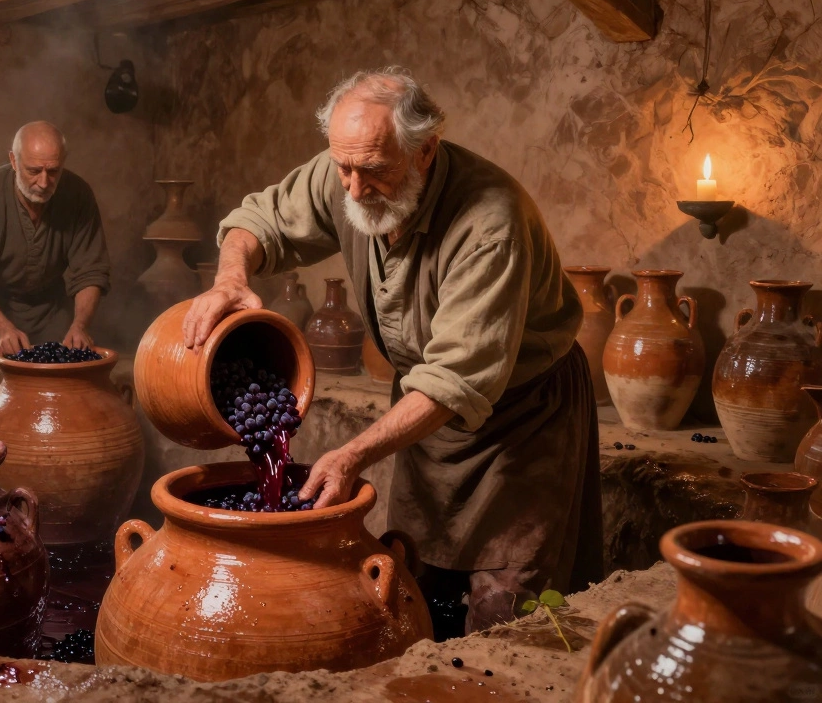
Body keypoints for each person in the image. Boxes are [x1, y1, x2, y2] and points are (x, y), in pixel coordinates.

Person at [183, 67, 602, 635]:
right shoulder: (351, 166)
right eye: (343, 168)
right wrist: (231, 276)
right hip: (427, 422)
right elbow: (261, 219)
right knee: (415, 589)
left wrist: (352, 453)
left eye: (374, 171)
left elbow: (455, 379)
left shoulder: (490, 223)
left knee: (505, 613)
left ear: (425, 150)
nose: (352, 189)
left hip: (522, 422)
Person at [0, 121, 111, 357]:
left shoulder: (79, 195)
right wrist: (4, 329)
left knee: (55, 388)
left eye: (53, 171)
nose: (44, 183)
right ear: (14, 161)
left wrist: (80, 325)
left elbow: (91, 271)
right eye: (34, 171)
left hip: (50, 314)